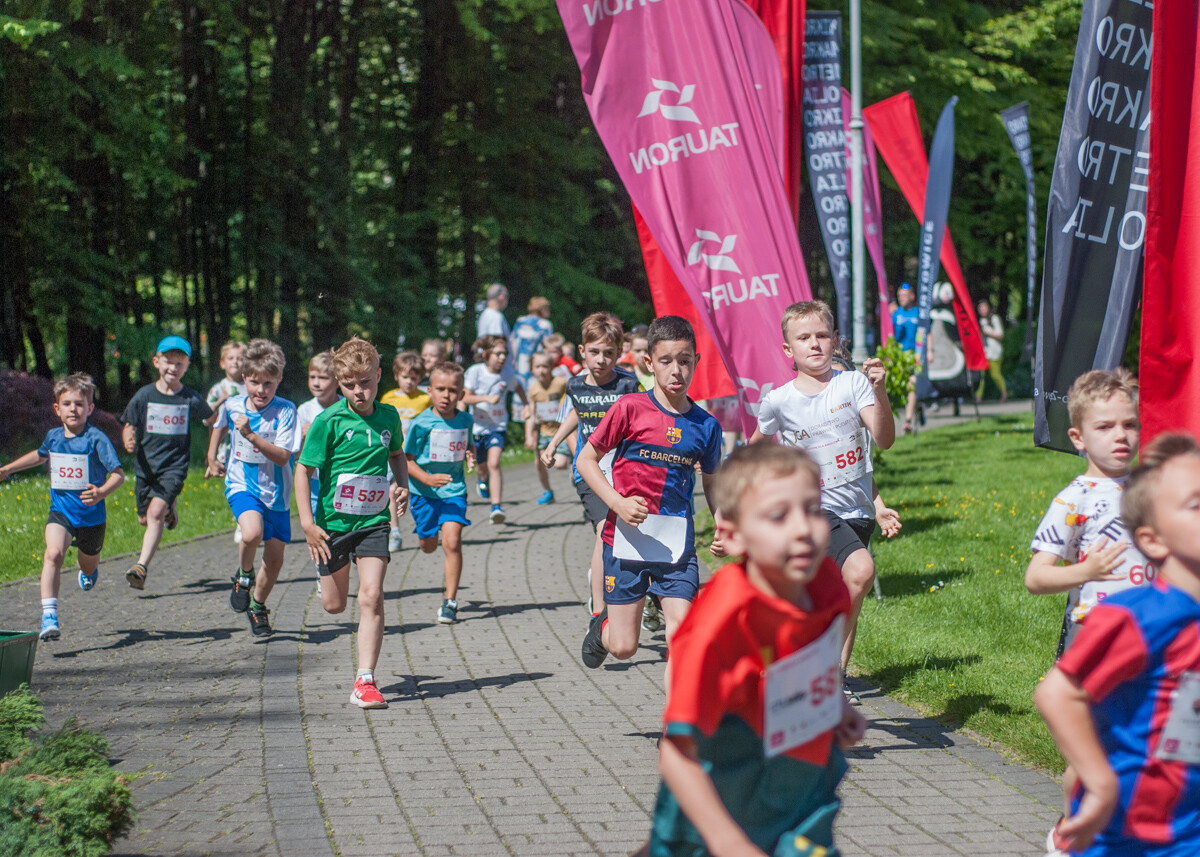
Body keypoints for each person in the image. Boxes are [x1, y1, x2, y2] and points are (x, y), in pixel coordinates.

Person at [634, 443, 866, 857]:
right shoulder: (717, 625)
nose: (802, 528)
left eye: (812, 509)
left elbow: (807, 663)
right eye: (778, 515)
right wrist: (728, 843)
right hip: (717, 797)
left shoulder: (828, 586)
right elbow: (677, 755)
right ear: (731, 534)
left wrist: (837, 707)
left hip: (799, 785)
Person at [1035, 432, 1200, 857]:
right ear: (1153, 540)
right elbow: (1057, 693)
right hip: (1123, 832)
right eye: (1196, 505)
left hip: (1187, 830)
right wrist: (1099, 782)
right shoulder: (1138, 616)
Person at [751, 300, 895, 701]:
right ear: (788, 349)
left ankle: (828, 678)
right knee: (861, 572)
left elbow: (883, 440)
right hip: (811, 510)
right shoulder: (779, 401)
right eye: (803, 338)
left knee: (846, 592)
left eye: (821, 336)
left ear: (834, 340)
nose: (814, 344)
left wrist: (880, 391)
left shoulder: (853, 384)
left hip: (858, 511)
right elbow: (753, 451)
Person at [578, 315, 723, 671]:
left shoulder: (707, 426)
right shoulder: (630, 408)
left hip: (676, 547)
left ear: (696, 361)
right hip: (626, 541)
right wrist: (617, 503)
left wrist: (723, 524)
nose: (676, 371)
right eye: (666, 361)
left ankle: (676, 712)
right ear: (649, 363)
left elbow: (712, 482)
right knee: (624, 647)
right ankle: (603, 627)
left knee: (684, 637)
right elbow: (586, 460)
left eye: (684, 361)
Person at [295, 337, 410, 710]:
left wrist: (403, 485)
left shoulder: (389, 416)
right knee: (334, 606)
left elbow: (397, 455)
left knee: (371, 595)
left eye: (366, 382)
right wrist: (307, 524)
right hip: (332, 525)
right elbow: (303, 470)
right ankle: (325, 579)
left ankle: (365, 680)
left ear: (379, 376)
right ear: (338, 383)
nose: (359, 392)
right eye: (349, 384)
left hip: (374, 522)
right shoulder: (328, 421)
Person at [1026, 368, 1148, 657]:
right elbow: (1036, 578)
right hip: (1095, 640)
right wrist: (1087, 571)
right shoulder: (1074, 500)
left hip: (1150, 631)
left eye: (1130, 424)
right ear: (1078, 438)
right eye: (1104, 427)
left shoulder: (1151, 488)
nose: (1121, 435)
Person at [0, 374, 124, 641]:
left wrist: (101, 492)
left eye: (79, 404)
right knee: (53, 554)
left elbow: (118, 474)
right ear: (57, 409)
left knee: (87, 566)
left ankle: (89, 571)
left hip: (91, 517)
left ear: (90, 408)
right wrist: (8, 469)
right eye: (67, 404)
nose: (73, 409)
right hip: (62, 512)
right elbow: (40, 455)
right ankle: (49, 616)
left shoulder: (96, 438)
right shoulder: (54, 437)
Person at [542, 312, 640, 617]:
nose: (601, 360)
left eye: (609, 353)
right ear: (582, 351)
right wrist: (553, 443)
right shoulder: (575, 386)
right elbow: (577, 412)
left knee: (625, 532)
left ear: (619, 352)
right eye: (594, 352)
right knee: (603, 531)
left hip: (623, 470)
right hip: (590, 472)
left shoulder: (628, 384)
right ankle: (599, 612)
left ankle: (627, 588)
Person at [204, 339, 296, 636]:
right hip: (241, 484)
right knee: (251, 532)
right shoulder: (232, 404)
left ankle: (258, 606)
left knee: (275, 561)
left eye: (268, 383)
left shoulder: (286, 411)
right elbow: (219, 426)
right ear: (244, 378)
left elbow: (283, 456)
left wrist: (251, 435)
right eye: (255, 382)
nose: (261, 390)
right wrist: (211, 457)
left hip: (277, 494)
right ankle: (244, 575)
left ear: (279, 379)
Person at [120, 336, 213, 590]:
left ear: (187, 366)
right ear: (156, 362)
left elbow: (212, 420)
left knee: (154, 514)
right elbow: (129, 423)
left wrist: (211, 454)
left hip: (175, 467)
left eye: (179, 363)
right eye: (168, 361)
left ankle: (141, 567)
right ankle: (170, 510)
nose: (173, 367)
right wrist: (128, 439)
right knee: (144, 519)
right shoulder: (144, 396)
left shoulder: (190, 398)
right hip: (146, 467)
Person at [405, 361, 475, 624]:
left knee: (452, 542)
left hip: (454, 490)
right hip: (423, 493)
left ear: (462, 393)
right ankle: (425, 534)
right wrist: (427, 478)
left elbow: (468, 444)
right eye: (440, 389)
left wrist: (470, 454)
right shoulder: (421, 423)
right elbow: (406, 459)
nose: (446, 395)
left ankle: (450, 601)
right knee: (428, 546)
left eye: (453, 390)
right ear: (430, 391)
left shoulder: (465, 420)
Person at [463, 334, 527, 524]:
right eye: (498, 354)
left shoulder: (507, 374)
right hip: (477, 428)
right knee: (482, 467)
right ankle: (482, 479)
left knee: (494, 464)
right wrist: (486, 398)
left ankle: (496, 507)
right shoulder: (475, 372)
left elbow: (518, 387)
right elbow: (465, 397)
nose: (502, 357)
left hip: (497, 427)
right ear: (485, 354)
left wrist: (527, 405)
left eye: (505, 353)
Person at [381, 351, 432, 552]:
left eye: (414, 378)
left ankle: (426, 525)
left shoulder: (425, 399)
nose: (409, 382)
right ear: (396, 375)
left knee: (420, 491)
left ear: (420, 378)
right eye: (405, 377)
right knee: (392, 491)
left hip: (417, 456)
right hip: (394, 454)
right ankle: (395, 532)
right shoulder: (388, 398)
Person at [525, 351, 570, 505]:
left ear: (551, 367)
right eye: (537, 367)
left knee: (560, 464)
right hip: (543, 431)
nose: (541, 370)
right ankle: (548, 491)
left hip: (561, 431)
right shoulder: (534, 389)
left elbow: (573, 397)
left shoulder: (560, 383)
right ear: (532, 369)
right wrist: (529, 436)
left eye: (545, 366)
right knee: (540, 463)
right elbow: (532, 415)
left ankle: (574, 467)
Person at [891, 283, 920, 433]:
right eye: (899, 296)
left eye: (904, 295)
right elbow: (889, 335)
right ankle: (919, 406)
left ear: (912, 296)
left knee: (911, 385)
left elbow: (925, 332)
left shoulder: (918, 313)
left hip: (915, 356)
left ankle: (908, 421)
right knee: (905, 389)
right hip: (899, 357)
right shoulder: (895, 314)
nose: (901, 298)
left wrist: (928, 351)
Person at [510, 296, 554, 388]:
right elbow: (549, 347)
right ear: (543, 309)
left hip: (518, 364)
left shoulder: (520, 321)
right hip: (538, 366)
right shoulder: (545, 325)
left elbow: (512, 341)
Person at [975, 299, 1008, 403]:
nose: (982, 310)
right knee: (981, 376)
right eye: (980, 308)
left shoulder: (994, 319)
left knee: (995, 374)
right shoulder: (980, 321)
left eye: (984, 307)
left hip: (994, 351)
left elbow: (1000, 335)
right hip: (984, 352)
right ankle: (978, 397)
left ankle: (1004, 393)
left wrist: (988, 333)